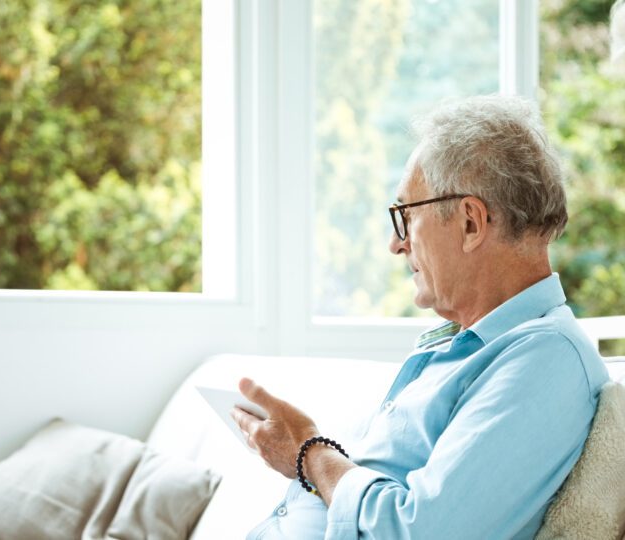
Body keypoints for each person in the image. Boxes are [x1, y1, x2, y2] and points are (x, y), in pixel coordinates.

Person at [232, 94, 610, 540]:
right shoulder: (453, 346)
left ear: (471, 223)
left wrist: (308, 453)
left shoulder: (546, 358)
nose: (396, 245)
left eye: (405, 216)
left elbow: (424, 531)